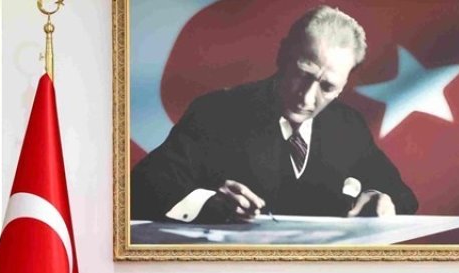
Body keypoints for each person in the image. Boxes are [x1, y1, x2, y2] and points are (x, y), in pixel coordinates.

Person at [131, 5, 417, 223]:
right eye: (302, 74)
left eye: (327, 87)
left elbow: (403, 196)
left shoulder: (348, 126)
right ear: (282, 56)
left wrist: (382, 200)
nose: (306, 98)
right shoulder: (217, 111)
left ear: (343, 85)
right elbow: (142, 187)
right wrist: (207, 202)